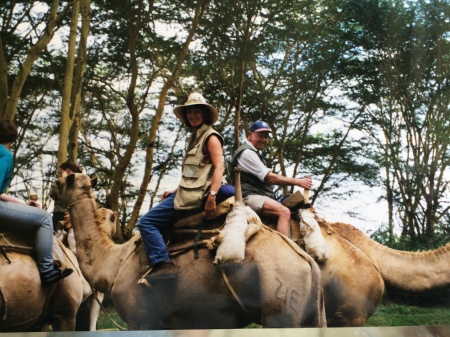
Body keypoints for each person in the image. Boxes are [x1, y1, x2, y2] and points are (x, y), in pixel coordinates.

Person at [138, 92, 235, 278]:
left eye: (197, 111)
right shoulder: (195, 138)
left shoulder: (211, 137)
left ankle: (162, 263)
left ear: (204, 114)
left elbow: (219, 168)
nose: (193, 115)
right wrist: (176, 189)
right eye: (189, 112)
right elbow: (196, 174)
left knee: (147, 222)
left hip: (202, 194)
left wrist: (212, 196)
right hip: (190, 191)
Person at [0, 119, 73, 285]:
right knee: (45, 218)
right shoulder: (4, 155)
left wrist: (22, 205)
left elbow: (1, 194)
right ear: (13, 137)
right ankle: (47, 271)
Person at [231, 120, 312, 236]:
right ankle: (285, 249)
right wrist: (298, 182)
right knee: (284, 212)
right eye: (260, 135)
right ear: (250, 135)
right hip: (248, 196)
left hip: (259, 195)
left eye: (266, 137)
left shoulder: (256, 153)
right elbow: (269, 178)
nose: (263, 140)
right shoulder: (247, 153)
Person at [50, 161, 82, 231]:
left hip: (62, 214)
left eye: (61, 172)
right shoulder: (80, 181)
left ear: (67, 170)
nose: (60, 174)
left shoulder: (76, 182)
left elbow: (55, 195)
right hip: (70, 214)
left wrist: (63, 181)